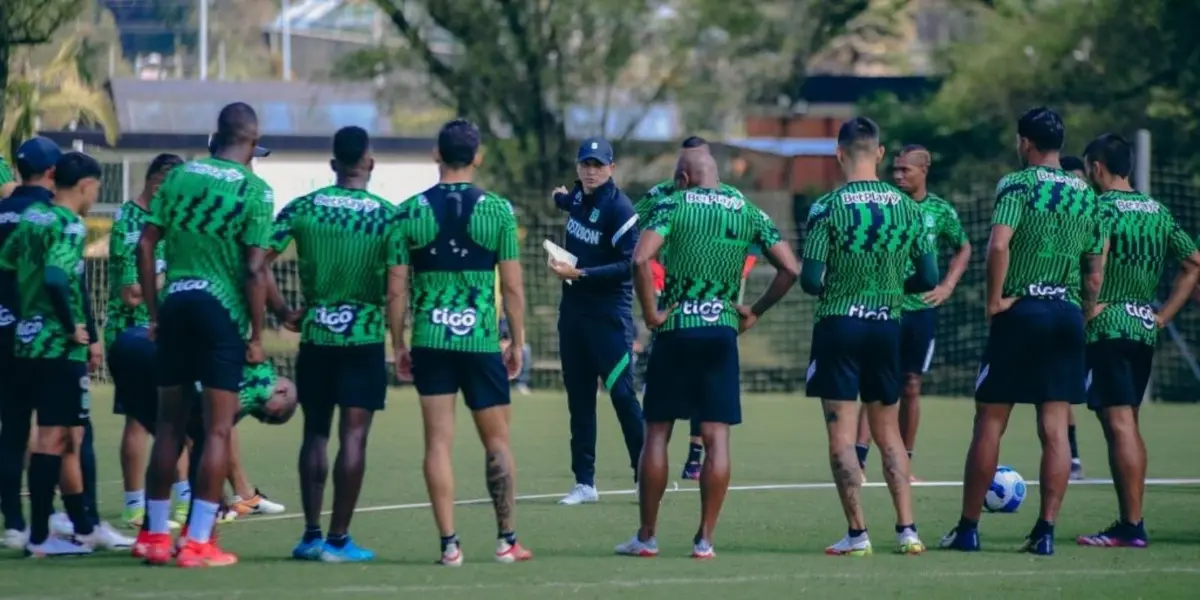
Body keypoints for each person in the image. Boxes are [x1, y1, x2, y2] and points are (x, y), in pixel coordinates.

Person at [616, 143, 798, 559]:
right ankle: (705, 540)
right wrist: (754, 311)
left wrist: (651, 313)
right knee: (716, 437)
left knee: (658, 432)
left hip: (678, 331)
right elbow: (791, 268)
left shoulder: (674, 205)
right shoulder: (745, 207)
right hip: (720, 334)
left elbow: (641, 259)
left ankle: (646, 538)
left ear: (682, 178)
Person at [941, 106, 1104, 556]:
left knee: (990, 421)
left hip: (1022, 311)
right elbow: (1094, 270)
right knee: (1054, 428)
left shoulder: (1016, 183)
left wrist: (995, 302)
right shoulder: (1085, 192)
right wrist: (1085, 313)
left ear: (1025, 143)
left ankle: (969, 529)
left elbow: (998, 243)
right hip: (1066, 314)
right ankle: (1045, 532)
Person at [135, 102, 274, 568]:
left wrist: (156, 312)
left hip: (176, 303)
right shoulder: (255, 190)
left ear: (217, 135)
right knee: (216, 429)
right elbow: (255, 269)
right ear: (252, 141)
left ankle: (154, 537)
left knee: (168, 425)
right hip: (220, 313)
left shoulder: (179, 176)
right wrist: (257, 335)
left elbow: (146, 241)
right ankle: (197, 542)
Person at [392, 118, 532, 566]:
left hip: (431, 338)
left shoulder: (408, 211)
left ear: (436, 154)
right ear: (478, 157)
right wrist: (517, 341)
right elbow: (512, 288)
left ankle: (449, 546)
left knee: (437, 444)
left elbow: (395, 289)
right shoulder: (497, 211)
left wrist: (398, 343)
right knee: (498, 443)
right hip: (479, 341)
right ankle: (506, 541)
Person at [802, 118, 938, 557]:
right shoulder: (911, 209)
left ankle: (858, 534)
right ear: (879, 154)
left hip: (839, 324)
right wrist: (892, 289)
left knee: (842, 435)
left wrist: (843, 287)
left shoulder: (827, 207)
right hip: (887, 325)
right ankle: (908, 530)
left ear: (839, 153)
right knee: (889, 433)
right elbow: (929, 276)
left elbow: (809, 279)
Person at [264, 126, 397, 562]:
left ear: (333, 164)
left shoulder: (303, 208)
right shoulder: (388, 216)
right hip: (363, 335)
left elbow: (256, 262)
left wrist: (284, 311)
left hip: (318, 334)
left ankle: (310, 535)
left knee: (315, 433)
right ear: (370, 163)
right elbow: (401, 281)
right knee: (354, 435)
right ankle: (339, 541)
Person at [0, 151, 131, 556]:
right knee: (53, 438)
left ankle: (81, 526)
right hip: (58, 347)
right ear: (87, 185)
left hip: (26, 340)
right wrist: (71, 325)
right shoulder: (69, 225)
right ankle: (40, 538)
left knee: (64, 436)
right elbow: (57, 277)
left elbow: (8, 263)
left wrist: (30, 312)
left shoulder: (31, 218)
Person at [1075, 134, 1200, 547]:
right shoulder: (1157, 210)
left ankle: (1131, 525)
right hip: (1142, 324)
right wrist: (1163, 315)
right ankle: (1131, 519)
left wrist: (1090, 308)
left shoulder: (1100, 206)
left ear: (1096, 167)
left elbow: (1099, 257)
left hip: (1109, 324)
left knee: (1119, 422)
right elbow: (1194, 263)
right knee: (1127, 421)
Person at [111, 325, 298, 556]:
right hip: (153, 351)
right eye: (275, 416)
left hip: (127, 345)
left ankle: (151, 536)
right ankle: (195, 538)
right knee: (200, 440)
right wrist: (213, 492)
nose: (266, 418)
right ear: (281, 390)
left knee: (168, 438)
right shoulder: (262, 381)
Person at [634, 136, 751, 481]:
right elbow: (632, 229)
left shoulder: (678, 199)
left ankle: (649, 529)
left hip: (678, 314)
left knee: (658, 424)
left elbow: (632, 245)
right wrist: (750, 308)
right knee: (714, 415)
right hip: (710, 312)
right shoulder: (732, 202)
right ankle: (705, 536)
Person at [854, 145, 971, 483]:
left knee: (911, 385)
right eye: (895, 169)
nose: (898, 175)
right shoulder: (887, 204)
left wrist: (947, 285)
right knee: (874, 382)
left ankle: (904, 463)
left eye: (906, 170)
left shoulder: (940, 210)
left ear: (925, 170)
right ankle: (859, 462)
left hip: (921, 312)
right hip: (885, 308)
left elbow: (963, 247)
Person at [549, 137, 644, 506]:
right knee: (579, 400)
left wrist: (581, 274)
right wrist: (558, 197)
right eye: (585, 164)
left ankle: (644, 474)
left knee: (622, 396)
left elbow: (629, 265)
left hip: (609, 319)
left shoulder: (620, 209)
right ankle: (584, 484)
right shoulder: (576, 198)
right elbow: (566, 200)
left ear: (611, 169)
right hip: (573, 316)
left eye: (598, 165)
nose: (591, 171)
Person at [105, 153, 194, 529]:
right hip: (134, 334)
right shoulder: (130, 220)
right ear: (156, 181)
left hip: (166, 333)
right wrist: (172, 278)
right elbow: (131, 292)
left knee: (180, 416)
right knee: (140, 420)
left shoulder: (170, 220)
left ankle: (185, 501)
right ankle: (134, 504)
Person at [1059, 154, 1090, 481]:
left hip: (1101, 315)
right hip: (1068, 313)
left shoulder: (1097, 211)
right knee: (1060, 391)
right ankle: (1073, 455)